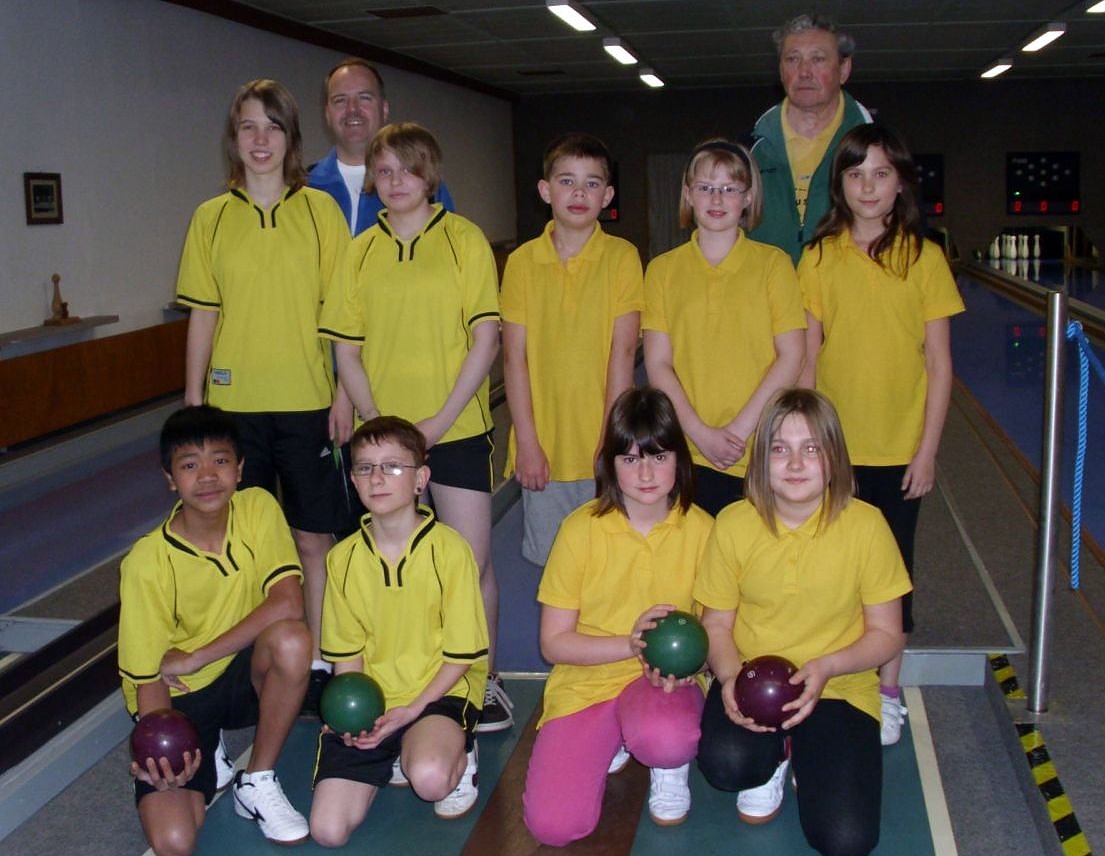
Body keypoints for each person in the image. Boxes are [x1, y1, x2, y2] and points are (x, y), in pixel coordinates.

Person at [317, 122, 513, 732]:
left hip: (455, 429)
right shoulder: (359, 252)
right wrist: (380, 428)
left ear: (430, 174)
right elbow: (347, 350)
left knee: (469, 564)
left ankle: (483, 681)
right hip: (384, 438)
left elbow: (485, 339)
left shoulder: (464, 239)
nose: (396, 180)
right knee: (393, 561)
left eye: (407, 168)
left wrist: (435, 424)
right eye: (384, 171)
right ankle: (406, 682)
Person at [175, 79, 351, 715]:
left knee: (312, 540)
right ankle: (240, 664)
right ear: (234, 138)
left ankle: (320, 660)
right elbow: (203, 313)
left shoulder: (320, 213)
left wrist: (344, 393)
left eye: (272, 126)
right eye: (248, 126)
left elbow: (343, 314)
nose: (260, 139)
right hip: (234, 410)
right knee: (239, 544)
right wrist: (194, 403)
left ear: (290, 139)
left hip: (307, 402)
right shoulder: (211, 218)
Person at [798, 123, 964, 746]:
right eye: (855, 174)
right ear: (839, 185)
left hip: (898, 450)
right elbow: (809, 358)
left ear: (901, 184)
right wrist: (803, 441)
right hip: (834, 451)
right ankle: (836, 675)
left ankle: (887, 690)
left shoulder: (924, 258)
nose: (868, 187)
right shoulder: (819, 258)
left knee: (891, 575)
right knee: (830, 570)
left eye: (881, 174)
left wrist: (927, 451)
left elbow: (939, 364)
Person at [695, 388, 911, 856]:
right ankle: (775, 756)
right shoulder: (733, 524)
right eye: (780, 449)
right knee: (727, 766)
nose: (795, 463)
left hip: (838, 685)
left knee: (846, 840)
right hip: (753, 681)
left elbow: (887, 635)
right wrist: (730, 678)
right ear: (761, 461)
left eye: (811, 448)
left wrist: (828, 667)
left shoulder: (868, 526)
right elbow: (716, 625)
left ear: (834, 458)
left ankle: (803, 750)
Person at [523, 386, 714, 845]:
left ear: (679, 461)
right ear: (610, 464)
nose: (646, 473)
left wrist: (695, 663)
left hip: (666, 684)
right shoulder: (579, 530)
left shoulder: (705, 530)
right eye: (630, 459)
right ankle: (613, 736)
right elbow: (554, 642)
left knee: (666, 738)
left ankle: (667, 763)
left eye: (659, 456)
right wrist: (631, 644)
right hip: (587, 681)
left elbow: (716, 631)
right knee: (553, 827)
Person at [118, 405, 312, 853]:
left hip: (238, 670)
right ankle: (208, 750)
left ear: (240, 469)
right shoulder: (146, 562)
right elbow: (148, 677)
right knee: (174, 841)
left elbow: (289, 602)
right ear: (170, 479)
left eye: (220, 461)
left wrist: (196, 655)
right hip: (181, 697)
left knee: (292, 640)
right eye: (190, 465)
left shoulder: (258, 507)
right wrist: (161, 755)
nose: (207, 476)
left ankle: (257, 779)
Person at [309, 416, 489, 846]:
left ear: (420, 479)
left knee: (429, 780)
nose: (377, 478)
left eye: (392, 466)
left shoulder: (451, 551)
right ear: (353, 479)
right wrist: (351, 715)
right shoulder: (342, 560)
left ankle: (456, 748)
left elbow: (461, 657)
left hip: (440, 691)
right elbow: (347, 656)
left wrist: (410, 711)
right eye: (365, 467)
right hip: (374, 699)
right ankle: (396, 751)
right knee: (328, 831)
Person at [501, 132, 643, 565]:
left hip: (601, 441)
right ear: (546, 191)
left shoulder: (623, 257)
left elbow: (623, 356)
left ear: (607, 196)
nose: (579, 193)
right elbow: (515, 358)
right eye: (567, 181)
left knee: (607, 562)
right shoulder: (522, 262)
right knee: (553, 565)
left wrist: (610, 441)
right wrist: (527, 443)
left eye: (591, 183)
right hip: (544, 446)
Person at [644, 140, 805, 517]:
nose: (717, 199)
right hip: (688, 447)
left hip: (759, 446)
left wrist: (739, 432)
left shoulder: (774, 265)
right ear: (688, 194)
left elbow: (792, 355)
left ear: (747, 197)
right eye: (706, 187)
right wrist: (700, 433)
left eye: (730, 188)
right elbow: (658, 363)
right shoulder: (663, 271)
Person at [748, 14, 872, 265]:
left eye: (818, 59)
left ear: (844, 69)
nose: (804, 72)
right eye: (792, 59)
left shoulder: (877, 148)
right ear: (781, 70)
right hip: (767, 287)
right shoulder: (749, 149)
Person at [308, 57, 454, 236]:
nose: (352, 109)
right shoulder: (303, 187)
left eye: (364, 98)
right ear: (327, 114)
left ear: (384, 109)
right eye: (340, 100)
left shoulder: (424, 187)